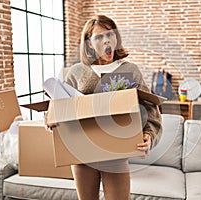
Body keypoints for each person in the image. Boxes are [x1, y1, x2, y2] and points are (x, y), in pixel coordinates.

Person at [51, 15, 162, 200]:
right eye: (99, 37)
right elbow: (60, 104)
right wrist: (53, 119)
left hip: (115, 154)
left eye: (110, 35)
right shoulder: (77, 72)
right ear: (89, 44)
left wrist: (149, 135)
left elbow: (150, 108)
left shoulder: (130, 70)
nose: (106, 41)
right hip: (82, 154)